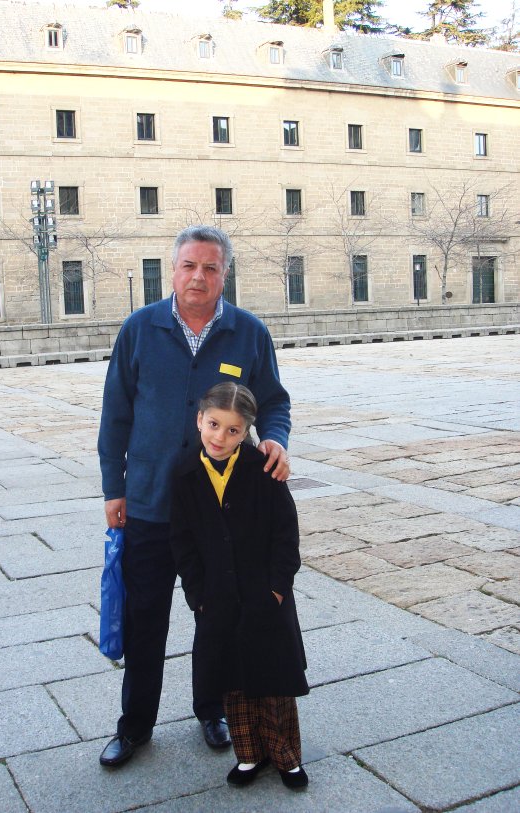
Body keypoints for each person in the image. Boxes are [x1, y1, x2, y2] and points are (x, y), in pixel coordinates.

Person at [97, 225, 292, 767]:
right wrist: (114, 487)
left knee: (218, 616)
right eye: (189, 266)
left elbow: (274, 401)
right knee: (145, 619)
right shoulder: (140, 329)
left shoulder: (249, 333)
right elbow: (116, 415)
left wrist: (274, 436)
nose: (198, 277)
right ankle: (135, 725)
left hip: (223, 513)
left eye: (210, 268)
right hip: (151, 504)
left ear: (225, 273)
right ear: (173, 268)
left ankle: (215, 709)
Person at [170, 382, 309, 790]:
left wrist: (278, 589)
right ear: (199, 420)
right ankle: (248, 753)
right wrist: (198, 597)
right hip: (216, 598)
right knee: (232, 680)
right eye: (214, 425)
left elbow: (287, 535)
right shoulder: (182, 472)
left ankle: (285, 755)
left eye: (233, 430)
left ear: (246, 430)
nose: (220, 437)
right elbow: (182, 542)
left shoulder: (265, 469)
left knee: (274, 681)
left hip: (265, 595)